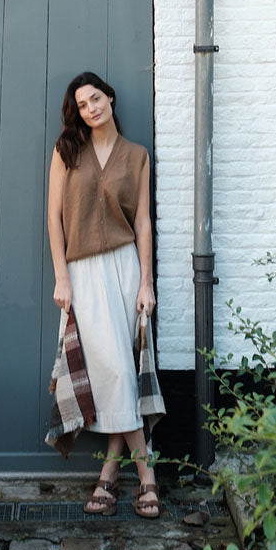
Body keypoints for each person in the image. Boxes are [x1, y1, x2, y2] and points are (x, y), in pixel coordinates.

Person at [46, 71, 162, 518]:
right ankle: (147, 476)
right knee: (114, 370)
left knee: (122, 370)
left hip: (125, 265)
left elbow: (143, 222)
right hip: (83, 271)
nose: (91, 108)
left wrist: (146, 281)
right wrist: (62, 276)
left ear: (110, 98)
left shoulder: (137, 156)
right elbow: (54, 218)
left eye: (95, 98)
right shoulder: (66, 152)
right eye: (82, 104)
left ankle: (109, 476)